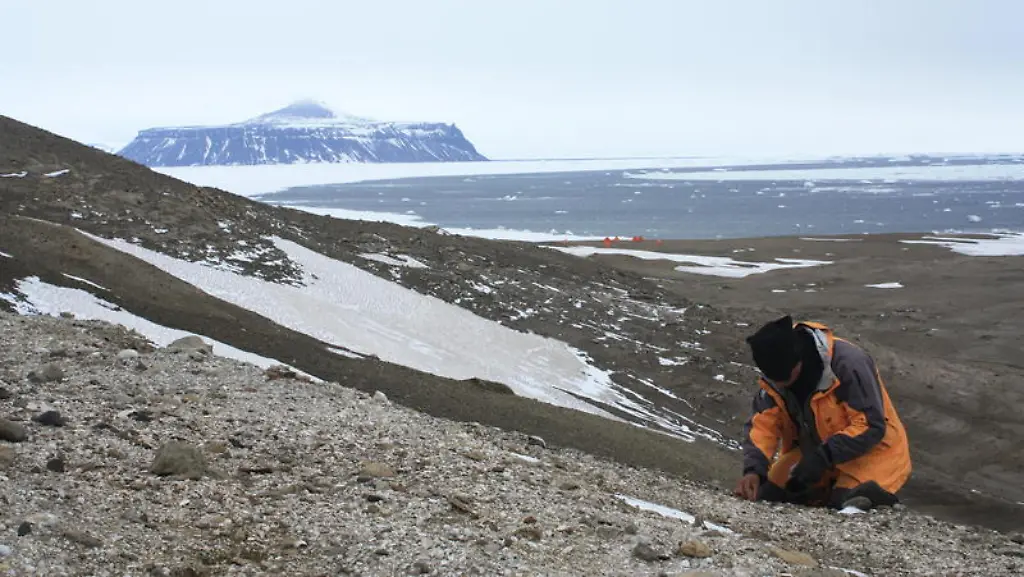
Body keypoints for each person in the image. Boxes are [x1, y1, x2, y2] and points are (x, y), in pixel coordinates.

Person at [733, 315, 912, 510]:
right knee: (768, 495)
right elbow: (763, 426)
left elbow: (871, 425)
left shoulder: (847, 364)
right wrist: (754, 470)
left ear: (798, 359)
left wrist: (822, 457)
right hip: (815, 453)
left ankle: (881, 501)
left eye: (784, 377)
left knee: (843, 506)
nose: (779, 384)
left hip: (873, 451)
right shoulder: (774, 377)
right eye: (773, 378)